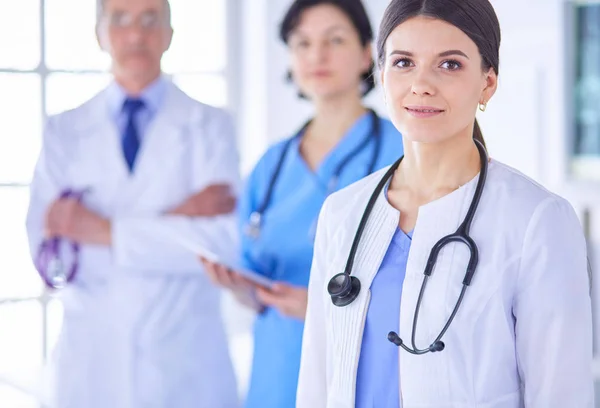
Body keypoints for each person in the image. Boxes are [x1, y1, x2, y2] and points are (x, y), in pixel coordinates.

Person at [296, 0, 595, 406]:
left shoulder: (537, 221)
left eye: (449, 64)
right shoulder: (342, 212)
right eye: (403, 63)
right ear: (381, 75)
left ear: (487, 82)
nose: (421, 84)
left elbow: (561, 393)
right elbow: (317, 380)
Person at [25, 0, 239, 407]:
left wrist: (101, 230)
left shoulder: (211, 125)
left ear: (170, 34)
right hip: (92, 362)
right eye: (120, 19)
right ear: (99, 33)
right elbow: (51, 255)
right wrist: (177, 218)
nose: (136, 34)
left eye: (150, 20)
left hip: (185, 361)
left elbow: (221, 243)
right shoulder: (64, 131)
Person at [201, 1, 404, 407]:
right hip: (276, 373)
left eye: (335, 39)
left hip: (361, 373)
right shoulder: (270, 165)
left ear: (368, 53)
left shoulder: (401, 153)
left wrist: (322, 307)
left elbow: (425, 287)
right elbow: (251, 270)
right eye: (302, 43)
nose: (317, 55)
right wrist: (241, 288)